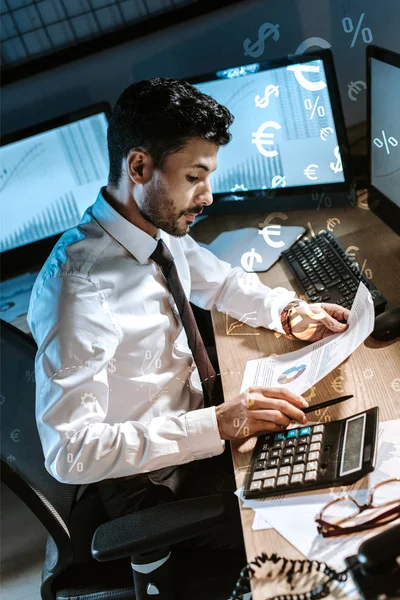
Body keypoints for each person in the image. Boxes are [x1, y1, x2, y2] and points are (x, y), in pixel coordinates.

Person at [27, 78, 350, 555]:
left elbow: (216, 280)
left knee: (334, 443)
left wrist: (287, 312)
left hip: (198, 428)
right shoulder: (78, 290)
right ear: (139, 166)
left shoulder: (154, 227)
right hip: (152, 484)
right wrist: (217, 425)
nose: (208, 195)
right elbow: (70, 452)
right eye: (194, 177)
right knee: (319, 531)